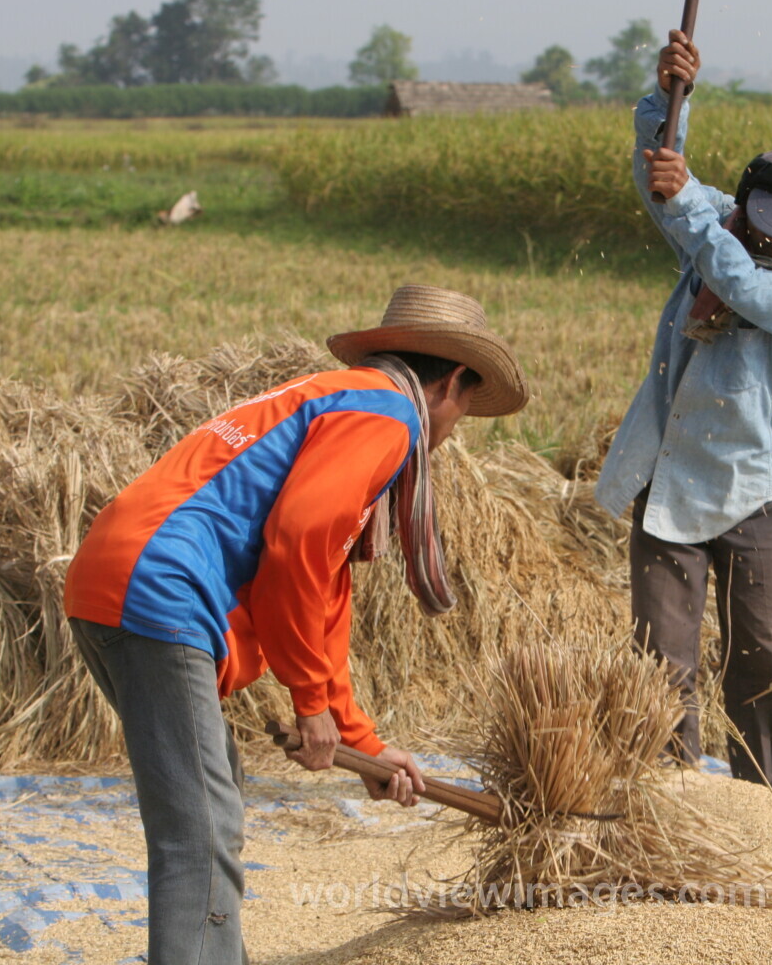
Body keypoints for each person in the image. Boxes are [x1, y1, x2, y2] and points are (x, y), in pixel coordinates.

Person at [64, 284, 527, 964]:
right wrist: (310, 705)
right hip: (160, 590)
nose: (455, 430)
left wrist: (360, 742)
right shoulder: (388, 417)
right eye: (465, 407)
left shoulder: (343, 397)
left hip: (120, 577)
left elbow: (322, 586)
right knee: (198, 828)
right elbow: (297, 542)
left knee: (209, 799)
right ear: (452, 380)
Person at [594, 31, 772, 791]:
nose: (771, 235)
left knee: (761, 658)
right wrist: (667, 100)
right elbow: (660, 180)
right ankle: (675, 805)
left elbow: (743, 288)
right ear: (747, 204)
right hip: (667, 484)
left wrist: (691, 212)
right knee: (663, 665)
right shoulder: (720, 223)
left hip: (748, 488)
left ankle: (763, 803)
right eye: (761, 217)